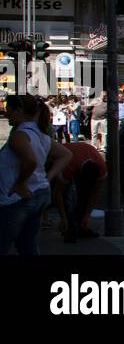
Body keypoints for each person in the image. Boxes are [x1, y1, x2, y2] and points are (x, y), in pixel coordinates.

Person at [0, 95, 72, 255]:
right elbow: (65, 154)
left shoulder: (20, 135)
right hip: (39, 193)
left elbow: (30, 161)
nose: (6, 115)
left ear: (19, 111)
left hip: (16, 200)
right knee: (28, 246)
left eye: (8, 110)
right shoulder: (41, 135)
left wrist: (20, 182)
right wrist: (47, 178)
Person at [51, 139, 106, 243]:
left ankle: (81, 226)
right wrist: (63, 218)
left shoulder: (102, 169)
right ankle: (69, 228)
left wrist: (87, 215)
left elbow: (95, 193)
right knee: (67, 197)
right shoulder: (68, 165)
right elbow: (58, 193)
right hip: (60, 156)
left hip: (80, 156)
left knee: (84, 196)